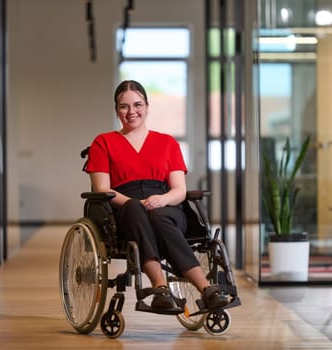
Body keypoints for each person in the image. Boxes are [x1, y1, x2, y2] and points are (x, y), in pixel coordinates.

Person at [84, 80, 228, 311]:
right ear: (116, 110)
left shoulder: (167, 142)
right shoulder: (104, 142)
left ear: (147, 107)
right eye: (124, 106)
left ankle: (206, 289)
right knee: (135, 209)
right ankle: (160, 287)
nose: (132, 111)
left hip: (167, 204)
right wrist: (135, 203)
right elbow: (102, 189)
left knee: (159, 216)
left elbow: (179, 189)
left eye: (137, 104)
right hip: (124, 207)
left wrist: (163, 199)